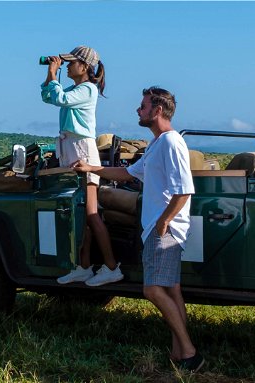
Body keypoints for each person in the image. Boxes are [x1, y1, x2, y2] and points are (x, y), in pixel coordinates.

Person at [71, 87, 204, 372]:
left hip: (164, 231)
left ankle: (190, 352)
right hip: (160, 229)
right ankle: (180, 352)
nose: (138, 110)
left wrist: (164, 221)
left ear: (157, 111)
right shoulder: (157, 144)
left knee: (153, 290)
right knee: (172, 289)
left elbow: (184, 191)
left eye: (142, 106)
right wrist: (91, 169)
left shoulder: (171, 143)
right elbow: (127, 173)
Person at [40, 46, 123, 286]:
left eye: (71, 62)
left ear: (84, 67)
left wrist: (54, 75)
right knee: (80, 216)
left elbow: (60, 99)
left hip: (83, 153)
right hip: (70, 150)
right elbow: (48, 96)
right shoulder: (77, 88)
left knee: (91, 214)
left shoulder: (88, 89)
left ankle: (111, 267)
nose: (66, 65)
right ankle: (83, 266)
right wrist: (50, 75)